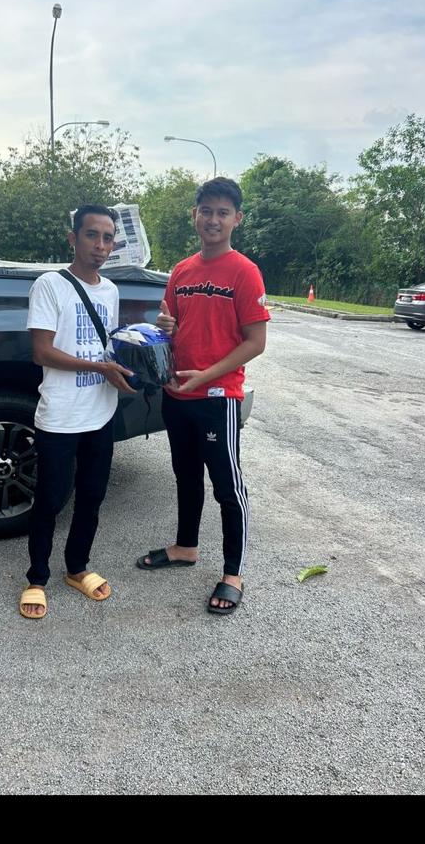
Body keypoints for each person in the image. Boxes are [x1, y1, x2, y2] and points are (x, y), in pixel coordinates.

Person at [136, 177, 269, 615]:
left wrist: (206, 376)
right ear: (194, 215)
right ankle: (186, 547)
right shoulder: (181, 270)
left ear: (237, 219)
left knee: (227, 487)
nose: (213, 219)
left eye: (223, 212)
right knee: (186, 476)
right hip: (178, 394)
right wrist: (165, 326)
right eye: (206, 211)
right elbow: (171, 324)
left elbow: (256, 341)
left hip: (217, 396)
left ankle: (233, 573)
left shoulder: (244, 271)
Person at [20, 204, 135, 619]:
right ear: (73, 238)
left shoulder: (111, 291)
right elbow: (42, 352)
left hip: (100, 412)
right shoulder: (50, 285)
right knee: (51, 498)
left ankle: (77, 568)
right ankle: (36, 578)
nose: (100, 245)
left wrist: (130, 363)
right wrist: (100, 368)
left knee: (92, 495)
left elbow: (108, 348)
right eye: (91, 235)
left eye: (108, 238)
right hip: (61, 415)